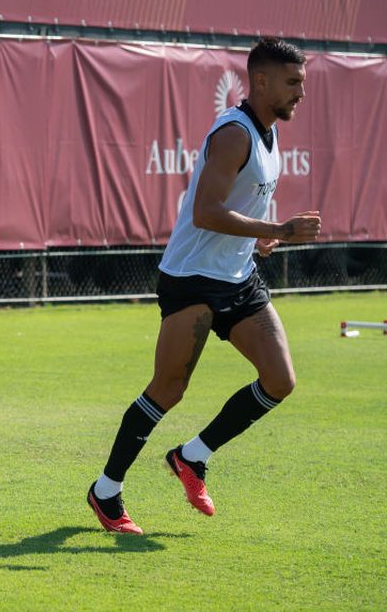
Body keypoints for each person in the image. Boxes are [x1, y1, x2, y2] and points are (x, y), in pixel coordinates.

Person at [87, 38, 320, 533]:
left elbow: (235, 207)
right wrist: (276, 230)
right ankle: (106, 490)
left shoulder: (269, 135)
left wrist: (256, 243)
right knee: (168, 389)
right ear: (261, 81)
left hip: (238, 279)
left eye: (302, 82)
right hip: (191, 279)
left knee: (280, 381)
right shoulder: (235, 134)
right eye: (293, 82)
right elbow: (205, 212)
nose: (302, 92)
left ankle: (192, 457)